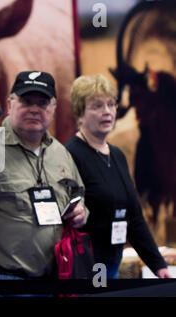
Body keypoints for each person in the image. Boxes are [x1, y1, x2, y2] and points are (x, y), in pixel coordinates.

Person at [0, 71, 88, 280]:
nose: (35, 109)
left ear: (53, 108)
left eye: (42, 103)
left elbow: (78, 196)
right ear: (10, 104)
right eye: (27, 101)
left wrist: (81, 213)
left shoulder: (60, 153)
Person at [65, 74, 171, 279]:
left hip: (112, 262)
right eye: (97, 106)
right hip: (86, 266)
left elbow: (134, 218)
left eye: (111, 104)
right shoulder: (70, 154)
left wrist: (159, 266)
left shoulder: (117, 155)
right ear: (79, 114)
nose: (107, 112)